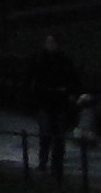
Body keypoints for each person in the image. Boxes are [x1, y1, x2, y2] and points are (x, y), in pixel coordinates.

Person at [22, 35, 82, 175]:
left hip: (59, 100)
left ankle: (55, 163)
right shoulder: (39, 59)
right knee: (46, 133)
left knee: (57, 134)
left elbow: (73, 79)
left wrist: (70, 93)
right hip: (46, 100)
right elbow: (29, 77)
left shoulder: (63, 60)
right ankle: (44, 161)